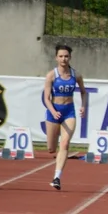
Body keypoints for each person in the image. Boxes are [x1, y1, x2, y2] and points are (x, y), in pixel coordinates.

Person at [42, 44, 88, 190]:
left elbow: (83, 92)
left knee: (65, 143)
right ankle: (53, 150)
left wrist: (83, 106)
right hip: (53, 112)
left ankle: (57, 177)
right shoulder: (51, 75)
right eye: (61, 56)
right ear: (56, 58)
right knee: (51, 148)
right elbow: (46, 98)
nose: (63, 59)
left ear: (70, 57)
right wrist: (53, 111)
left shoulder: (76, 75)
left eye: (66, 56)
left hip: (69, 112)